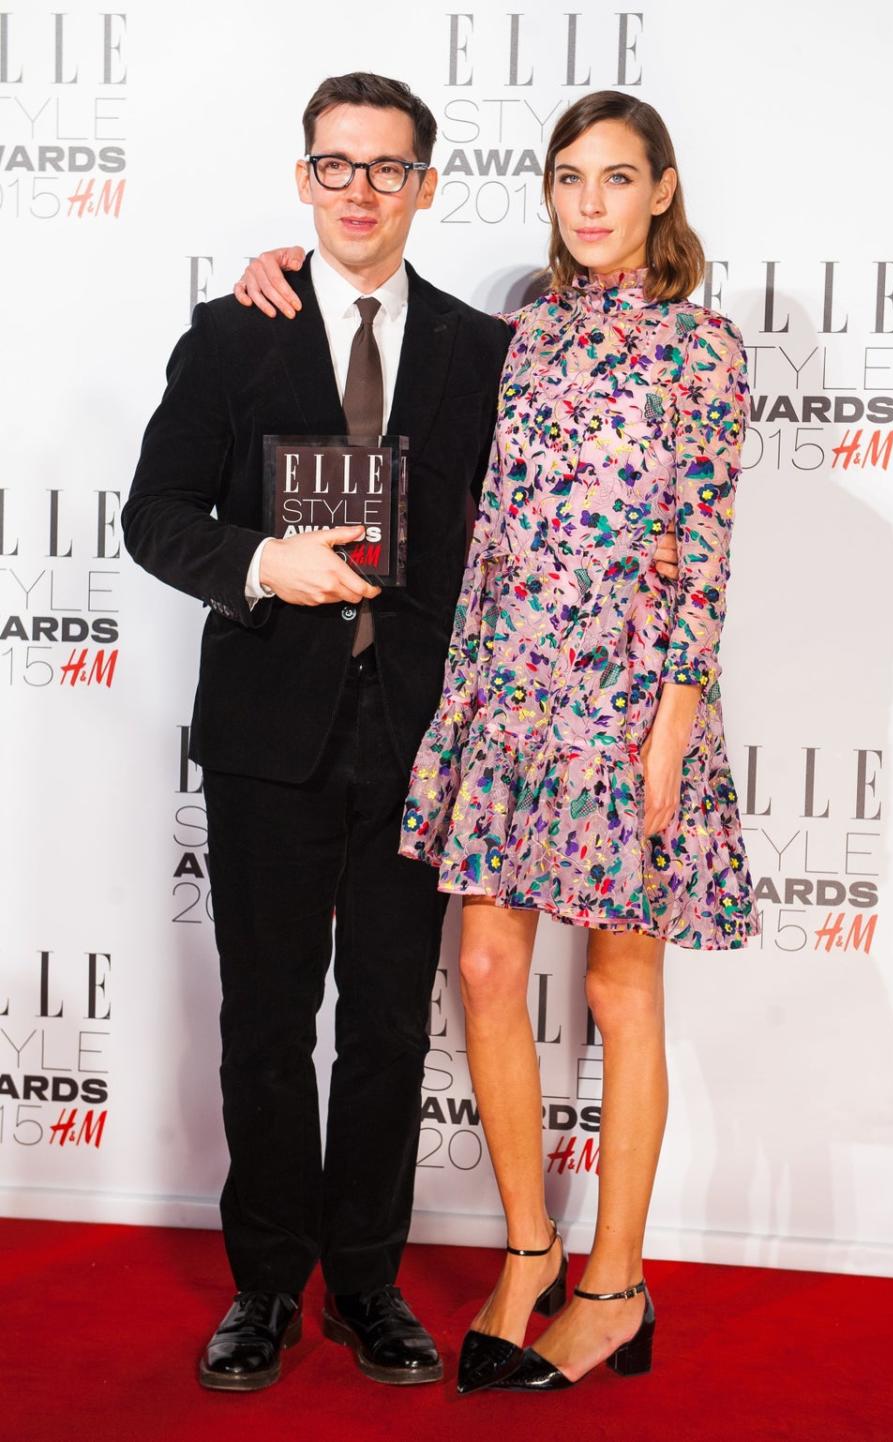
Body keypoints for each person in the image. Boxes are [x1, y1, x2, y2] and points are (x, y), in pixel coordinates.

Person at [230, 91, 688, 1396]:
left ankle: (608, 1284)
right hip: (494, 705)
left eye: (616, 177)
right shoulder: (516, 337)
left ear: (661, 189)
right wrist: (280, 271)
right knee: (474, 969)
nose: (590, 202)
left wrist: (675, 701)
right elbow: (371, 356)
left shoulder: (682, 348)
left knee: (600, 994)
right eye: (568, 178)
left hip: (618, 707)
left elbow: (693, 556)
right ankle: (508, 1257)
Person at [122, 71, 517, 1393]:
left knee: (392, 1030)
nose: (359, 189)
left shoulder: (478, 350)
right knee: (267, 1025)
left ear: (426, 184)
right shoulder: (236, 335)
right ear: (304, 178)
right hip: (265, 740)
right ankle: (264, 1286)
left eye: (386, 166)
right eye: (335, 165)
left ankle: (366, 1282)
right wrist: (259, 563)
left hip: (416, 743)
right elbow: (154, 514)